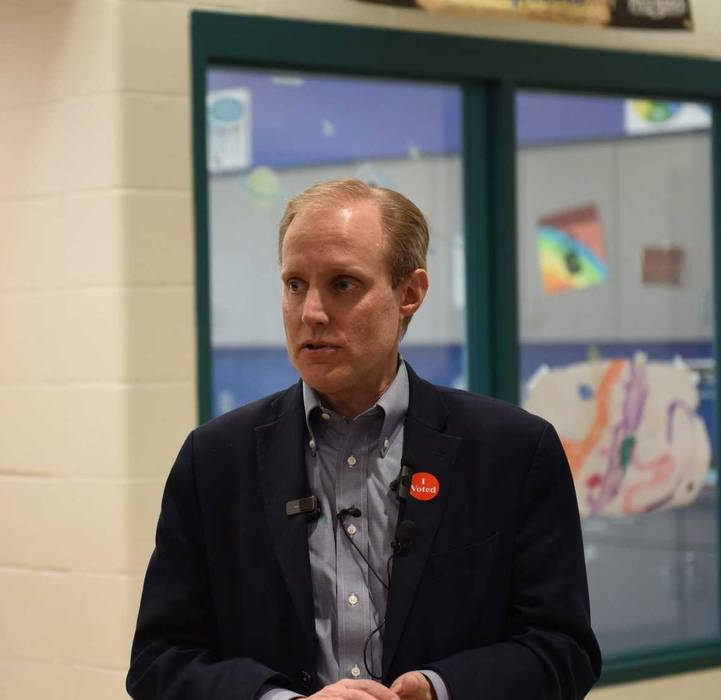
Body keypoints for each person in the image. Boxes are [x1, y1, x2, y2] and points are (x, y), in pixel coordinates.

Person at [127, 179, 600, 700]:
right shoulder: (215, 459)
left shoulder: (513, 451)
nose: (311, 312)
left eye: (343, 284)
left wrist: (439, 689)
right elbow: (159, 662)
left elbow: (563, 650)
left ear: (410, 294)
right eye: (294, 284)